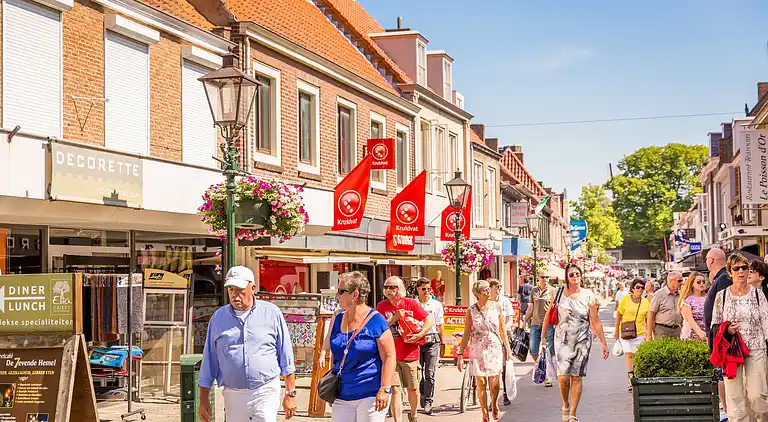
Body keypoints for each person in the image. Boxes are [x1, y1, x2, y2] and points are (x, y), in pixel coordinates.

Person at [198, 266, 296, 422]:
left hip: (265, 389)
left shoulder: (272, 313)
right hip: (233, 393)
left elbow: (286, 355)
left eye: (240, 289)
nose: (235, 295)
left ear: (253, 288)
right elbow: (210, 360)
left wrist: (290, 393)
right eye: (231, 289)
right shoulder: (218, 318)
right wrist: (203, 400)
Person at [317, 272, 396, 422]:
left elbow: (390, 356)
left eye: (341, 291)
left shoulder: (376, 320)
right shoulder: (338, 318)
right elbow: (335, 351)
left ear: (355, 295)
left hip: (371, 392)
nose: (337, 295)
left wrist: (384, 388)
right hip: (342, 392)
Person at [542, 264, 609, 422]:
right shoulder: (559, 293)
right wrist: (543, 338)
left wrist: (604, 343)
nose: (575, 277)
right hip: (562, 340)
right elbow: (548, 316)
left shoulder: (588, 295)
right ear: (567, 277)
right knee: (563, 377)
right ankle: (565, 404)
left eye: (577, 274)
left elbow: (596, 321)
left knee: (577, 377)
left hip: (582, 340)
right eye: (571, 275)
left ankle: (572, 413)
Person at [711, 253, 768, 422]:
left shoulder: (758, 295)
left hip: (756, 349)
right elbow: (714, 324)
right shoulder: (722, 296)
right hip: (731, 352)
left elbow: (767, 322)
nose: (741, 271)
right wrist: (727, 329)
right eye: (736, 268)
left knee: (758, 396)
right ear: (729, 272)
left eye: (744, 268)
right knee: (735, 398)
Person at [376, 276, 434, 422]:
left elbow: (429, 320)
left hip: (410, 354)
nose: (388, 290)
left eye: (392, 287)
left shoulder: (410, 303)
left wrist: (420, 334)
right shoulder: (382, 306)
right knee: (395, 390)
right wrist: (393, 319)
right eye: (386, 287)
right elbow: (378, 329)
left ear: (399, 289)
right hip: (391, 356)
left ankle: (413, 414)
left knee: (413, 389)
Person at [457, 280, 512, 422]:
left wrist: (508, 348)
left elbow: (502, 330)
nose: (489, 292)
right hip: (477, 348)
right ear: (476, 294)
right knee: (480, 381)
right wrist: (461, 354)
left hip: (494, 347)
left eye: (489, 289)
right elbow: (466, 333)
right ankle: (484, 414)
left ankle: (493, 404)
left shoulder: (497, 307)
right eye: (485, 290)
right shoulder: (471, 310)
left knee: (494, 383)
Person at [703, 247, 730, 419]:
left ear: (710, 261)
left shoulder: (723, 279)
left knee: (722, 374)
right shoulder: (719, 278)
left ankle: (727, 410)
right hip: (717, 335)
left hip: (721, 337)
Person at [614, 279, 650, 392]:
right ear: (632, 288)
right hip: (625, 333)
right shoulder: (626, 299)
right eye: (638, 287)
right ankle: (631, 379)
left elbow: (648, 319)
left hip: (639, 333)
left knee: (638, 356)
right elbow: (619, 314)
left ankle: (637, 377)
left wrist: (649, 334)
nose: (640, 290)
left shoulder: (645, 302)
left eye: (642, 288)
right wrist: (616, 330)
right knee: (629, 355)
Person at [415, 278, 444, 415]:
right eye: (423, 289)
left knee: (430, 373)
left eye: (428, 289)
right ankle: (422, 392)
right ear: (418, 290)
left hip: (433, 341)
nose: (426, 292)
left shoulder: (436, 305)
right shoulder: (412, 303)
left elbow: (440, 325)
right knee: (418, 374)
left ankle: (428, 401)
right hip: (416, 342)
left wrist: (442, 342)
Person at [525, 269, 556, 388]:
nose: (545, 280)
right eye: (543, 277)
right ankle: (541, 366)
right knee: (533, 350)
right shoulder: (534, 290)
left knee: (550, 351)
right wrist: (524, 320)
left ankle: (548, 376)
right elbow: (531, 307)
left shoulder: (553, 290)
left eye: (547, 277)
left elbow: (555, 308)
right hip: (535, 324)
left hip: (548, 325)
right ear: (538, 278)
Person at [489, 278, 516, 404]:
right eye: (496, 287)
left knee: (504, 364)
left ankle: (505, 391)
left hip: (503, 335)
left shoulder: (505, 301)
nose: (499, 289)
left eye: (500, 287)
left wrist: (503, 329)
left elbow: (510, 319)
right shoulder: (485, 302)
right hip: (489, 336)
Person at [647, 271, 683, 340]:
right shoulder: (659, 294)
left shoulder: (680, 295)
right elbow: (651, 315)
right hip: (661, 330)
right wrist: (649, 335)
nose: (682, 283)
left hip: (676, 330)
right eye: (679, 281)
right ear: (671, 281)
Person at [678, 272, 707, 341]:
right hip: (691, 335)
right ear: (692, 284)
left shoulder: (708, 297)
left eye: (703, 281)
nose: (702, 283)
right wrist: (700, 333)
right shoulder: (687, 300)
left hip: (706, 334)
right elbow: (690, 319)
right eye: (698, 282)